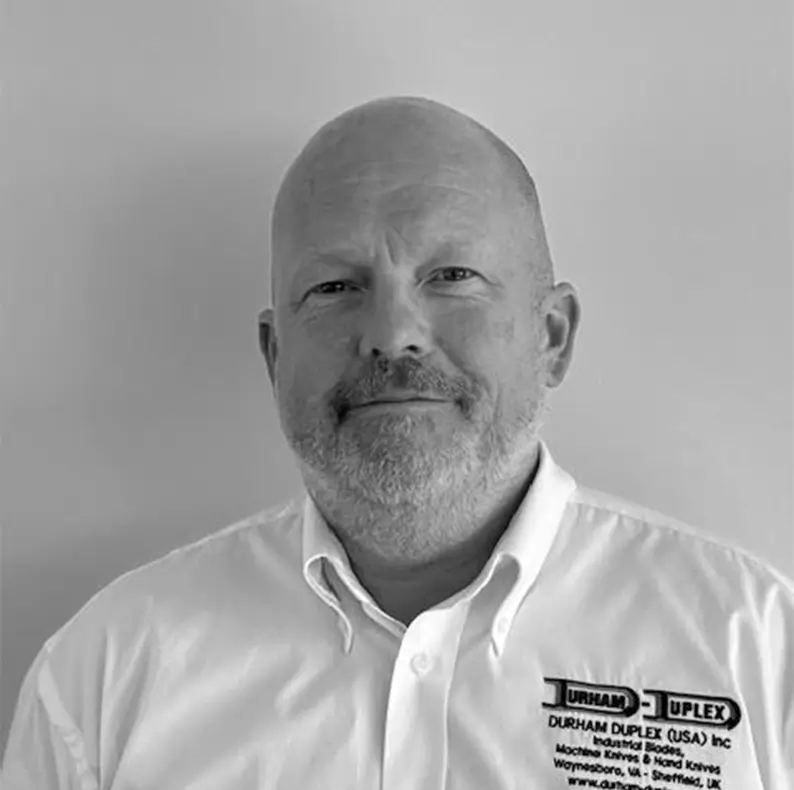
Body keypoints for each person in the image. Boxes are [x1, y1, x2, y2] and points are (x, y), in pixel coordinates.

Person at [2, 96, 792, 790]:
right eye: (336, 288)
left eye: (450, 276)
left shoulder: (756, 647)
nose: (391, 336)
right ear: (275, 356)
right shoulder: (108, 673)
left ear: (553, 336)